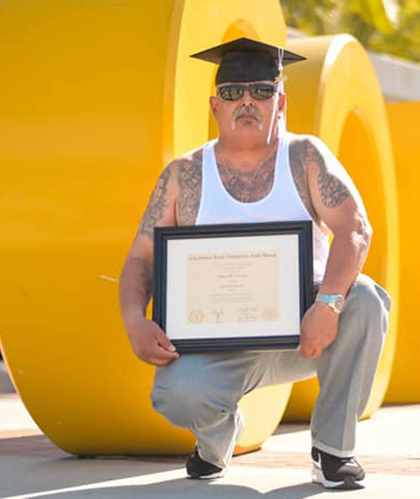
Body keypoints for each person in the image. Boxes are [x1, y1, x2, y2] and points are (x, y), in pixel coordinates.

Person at [118, 37, 390, 490]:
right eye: (232, 93)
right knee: (176, 394)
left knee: (364, 299)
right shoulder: (183, 175)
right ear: (215, 107)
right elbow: (140, 259)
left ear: (279, 102)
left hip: (307, 328)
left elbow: (355, 228)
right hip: (218, 343)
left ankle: (333, 451)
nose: (247, 101)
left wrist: (327, 305)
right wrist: (133, 320)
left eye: (261, 91)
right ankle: (217, 439)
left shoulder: (305, 157)